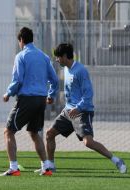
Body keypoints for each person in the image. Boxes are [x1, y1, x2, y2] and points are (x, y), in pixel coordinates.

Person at [45, 43, 127, 174]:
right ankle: (50, 166)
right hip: (68, 111)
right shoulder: (65, 69)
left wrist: (78, 108)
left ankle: (117, 160)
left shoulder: (80, 71)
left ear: (65, 56)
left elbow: (88, 94)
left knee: (88, 142)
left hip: (82, 111)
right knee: (49, 134)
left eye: (58, 57)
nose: (56, 60)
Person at [0, 27, 59, 176]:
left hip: (27, 99)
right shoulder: (44, 57)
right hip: (41, 100)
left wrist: (8, 93)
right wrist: (51, 94)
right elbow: (54, 79)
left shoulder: (21, 56)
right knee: (33, 132)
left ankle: (13, 167)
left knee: (9, 131)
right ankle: (46, 167)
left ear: (21, 40)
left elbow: (18, 80)